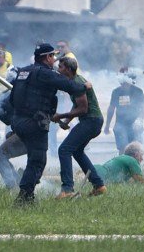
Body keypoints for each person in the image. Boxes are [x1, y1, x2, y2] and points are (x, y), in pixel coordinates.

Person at [10, 43, 89, 205]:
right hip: (34, 123)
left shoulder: (23, 71)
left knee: (33, 159)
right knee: (38, 161)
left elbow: (12, 97)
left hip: (18, 121)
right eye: (53, 56)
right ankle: (24, 198)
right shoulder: (45, 73)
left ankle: (27, 192)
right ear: (46, 57)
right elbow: (69, 85)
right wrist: (84, 86)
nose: (54, 59)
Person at [53, 57, 106, 199]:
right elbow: (77, 105)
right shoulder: (74, 81)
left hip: (91, 121)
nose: (59, 70)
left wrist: (60, 116)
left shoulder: (76, 82)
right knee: (76, 151)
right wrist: (66, 120)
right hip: (92, 121)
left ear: (69, 70)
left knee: (64, 149)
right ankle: (99, 185)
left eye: (61, 67)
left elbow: (83, 109)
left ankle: (67, 189)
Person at [104, 70, 144, 154]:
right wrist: (107, 125)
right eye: (122, 83)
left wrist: (139, 120)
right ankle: (122, 166)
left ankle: (135, 166)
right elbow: (111, 108)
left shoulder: (138, 91)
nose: (123, 85)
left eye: (125, 83)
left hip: (135, 124)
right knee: (123, 148)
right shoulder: (116, 92)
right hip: (121, 124)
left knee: (136, 149)